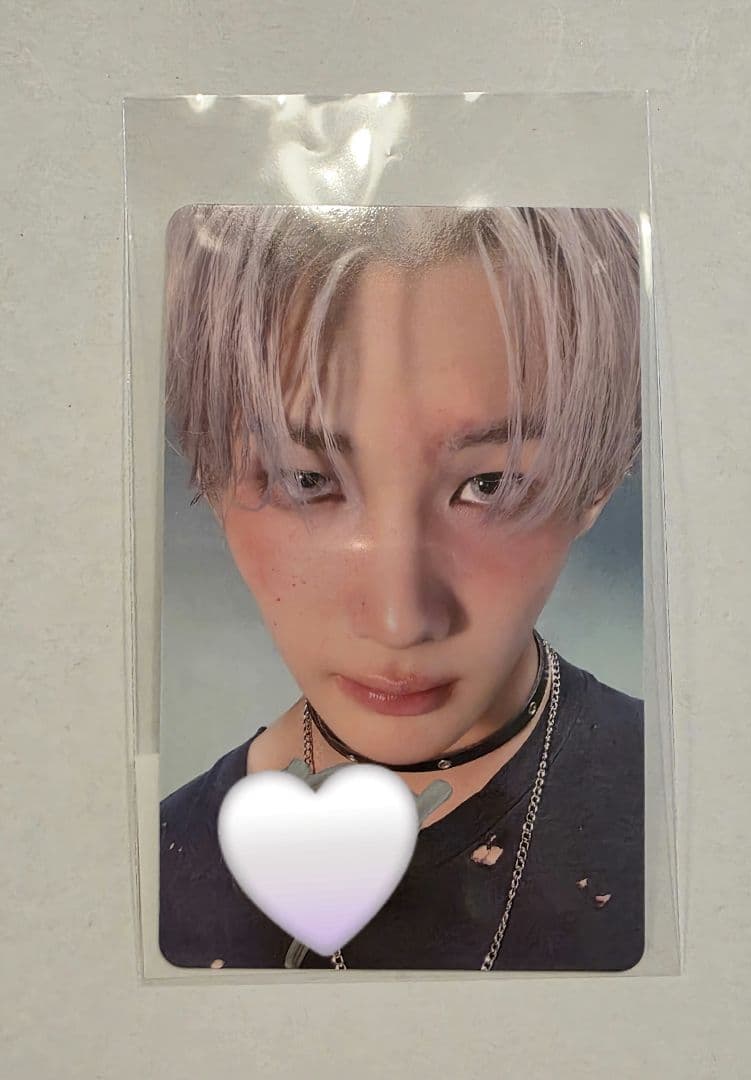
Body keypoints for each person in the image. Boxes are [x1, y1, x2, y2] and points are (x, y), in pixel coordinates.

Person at [158, 204, 644, 972]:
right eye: (304, 479)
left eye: (491, 483)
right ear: (210, 475)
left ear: (599, 482)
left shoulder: (708, 815)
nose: (399, 619)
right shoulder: (140, 888)